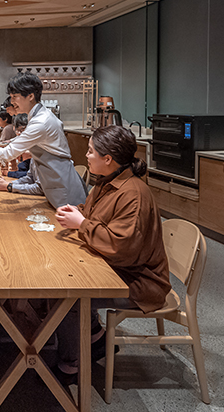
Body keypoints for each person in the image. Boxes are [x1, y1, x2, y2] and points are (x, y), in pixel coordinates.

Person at [52, 125, 171, 383]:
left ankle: (71, 365)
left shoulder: (133, 194)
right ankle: (95, 338)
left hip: (138, 282)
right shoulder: (107, 182)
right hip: (116, 268)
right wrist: (77, 212)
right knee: (60, 280)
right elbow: (95, 214)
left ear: (108, 159)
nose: (86, 155)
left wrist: (81, 224)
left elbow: (121, 247)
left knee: (68, 297)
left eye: (91, 151)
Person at [0, 73, 86, 208]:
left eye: (15, 97)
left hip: (65, 191)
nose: (12, 101)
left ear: (31, 96)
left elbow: (7, 153)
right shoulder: (39, 117)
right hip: (55, 187)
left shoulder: (41, 122)